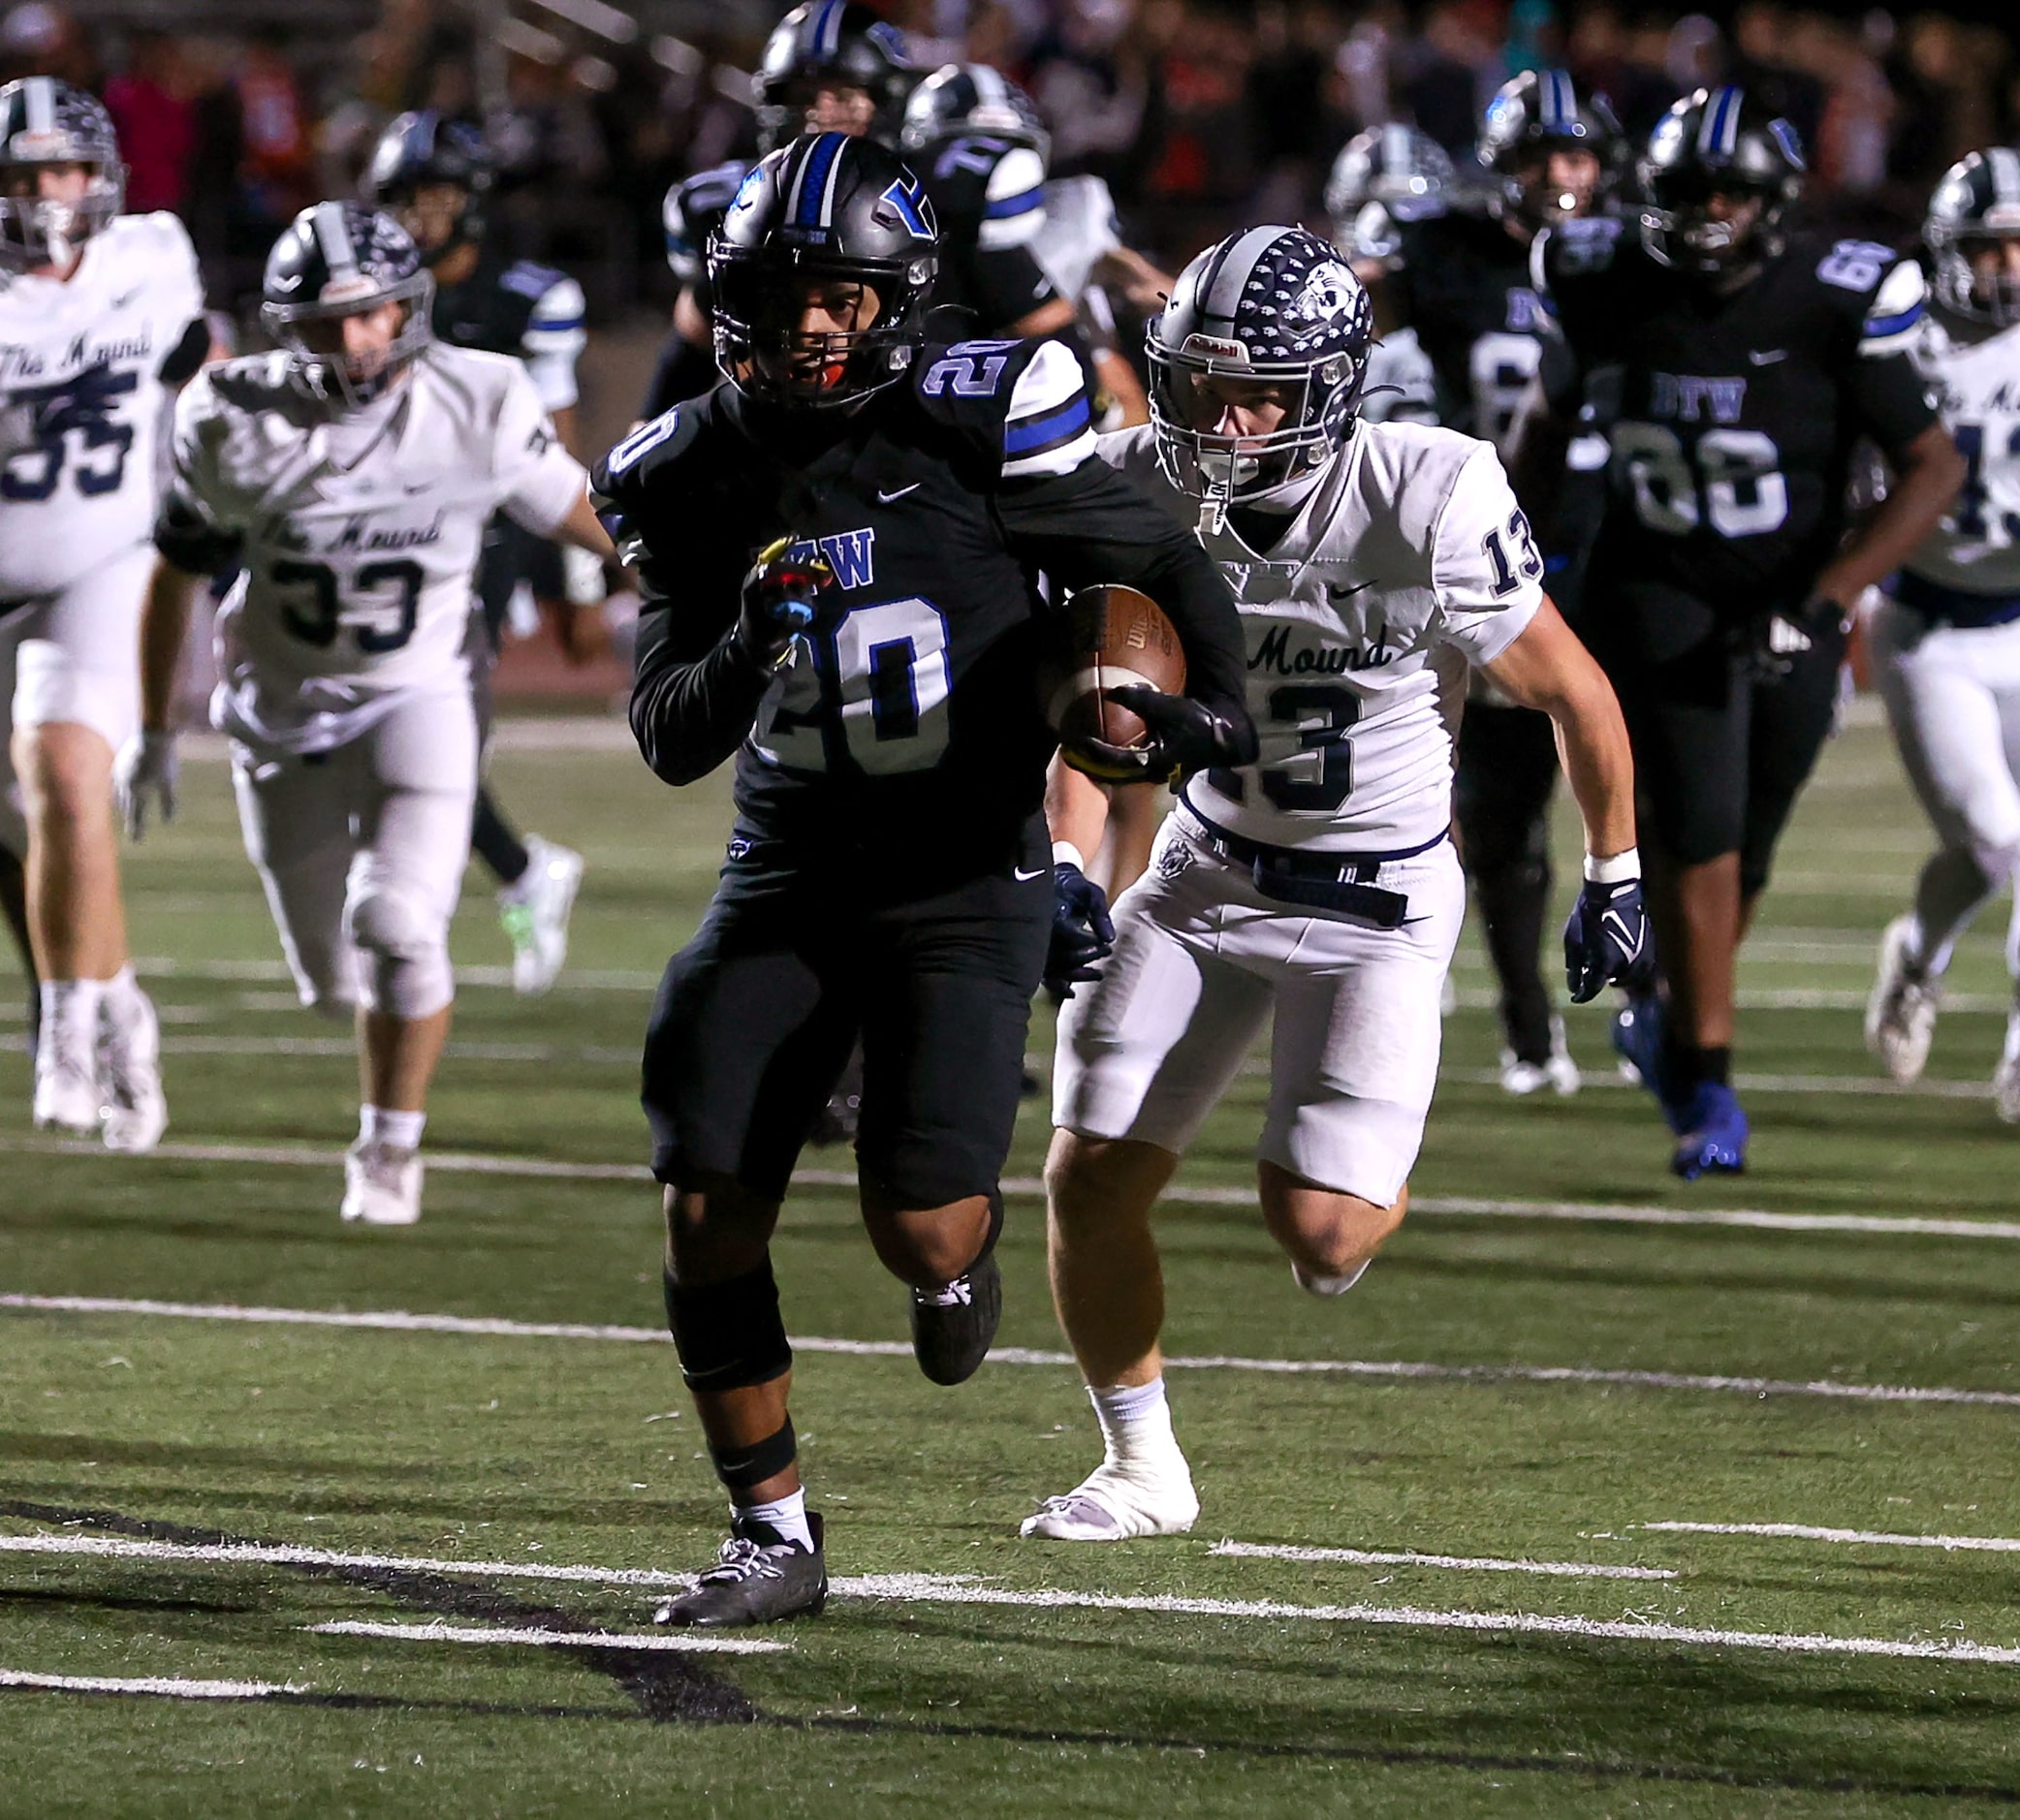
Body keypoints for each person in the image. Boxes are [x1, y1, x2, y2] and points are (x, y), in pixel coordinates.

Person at [590, 133, 1252, 1626]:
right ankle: (774, 1533)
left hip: (965, 865)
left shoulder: (987, 412)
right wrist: (750, 635)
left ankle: (946, 1240)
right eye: (784, 293)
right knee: (706, 1200)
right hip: (790, 865)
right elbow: (664, 738)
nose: (814, 322)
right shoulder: (687, 468)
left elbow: (1155, 556)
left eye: (842, 294)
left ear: (901, 298)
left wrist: (1213, 714)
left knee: (927, 1229)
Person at [1022, 227, 1648, 1543]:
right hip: (1204, 871)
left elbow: (1575, 695)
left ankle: (1343, 1194)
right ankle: (1142, 1465)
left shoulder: (1426, 492)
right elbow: (1092, 716)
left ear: (1334, 390)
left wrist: (1616, 874)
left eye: (1259, 390)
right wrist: (1071, 864)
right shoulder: (1138, 486)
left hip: (1381, 893)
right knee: (1084, 1175)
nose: (1225, 418)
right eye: (1199, 383)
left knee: (1322, 1233)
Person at [117, 203, 615, 1225]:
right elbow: (173, 578)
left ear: (407, 309)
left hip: (419, 691)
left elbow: (590, 511)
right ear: (283, 326)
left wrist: (711, 577)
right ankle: (376, 1073)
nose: (353, 341)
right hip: (277, 708)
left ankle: (388, 1148)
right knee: (330, 981)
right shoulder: (231, 415)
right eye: (325, 321)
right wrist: (157, 726)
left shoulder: (475, 398)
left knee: (393, 923)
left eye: (372, 314)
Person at [1517, 86, 1964, 1178]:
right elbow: (1544, 426)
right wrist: (1514, 565)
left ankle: (1665, 1013)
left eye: (1730, 191)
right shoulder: (1599, 274)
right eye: (1685, 191)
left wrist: (1824, 598)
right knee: (1701, 828)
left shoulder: (1832, 295)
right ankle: (1705, 1080)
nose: (1708, 211)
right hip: (1657, 588)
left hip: (1791, 592)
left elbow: (1931, 467)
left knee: (1750, 839)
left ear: (1774, 202)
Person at [1382, 71, 1627, 1097]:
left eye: (1576, 157)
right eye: (1542, 157)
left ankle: (1635, 1004)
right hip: (1476, 551)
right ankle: (1530, 1025)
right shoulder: (1439, 253)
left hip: (1606, 549)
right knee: (1499, 810)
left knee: (1622, 773)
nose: (1561, 176)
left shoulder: (1624, 263)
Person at [0, 76, 206, 1148]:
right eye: (23, 173)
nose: (45, 194)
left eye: (63, 169)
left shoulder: (153, 256)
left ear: (102, 177)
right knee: (32, 833)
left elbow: (199, 371)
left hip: (100, 564)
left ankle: (65, 1029)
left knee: (68, 784)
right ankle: (121, 1003)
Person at [363, 110, 589, 995]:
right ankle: (521, 873)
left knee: (409, 731)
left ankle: (488, 884)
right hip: (382, 537)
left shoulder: (531, 297)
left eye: (437, 195)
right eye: (405, 199)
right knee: (389, 736)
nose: (420, 216)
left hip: (481, 543)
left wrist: (574, 576)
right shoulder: (373, 298)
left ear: (475, 201)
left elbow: (559, 454)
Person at [1867, 150, 2020, 1118]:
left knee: (1999, 848)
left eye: (2018, 248)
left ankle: (1939, 976)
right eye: (1987, 248)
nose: (2004, 267)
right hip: (1928, 626)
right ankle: (1934, 974)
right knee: (2000, 843)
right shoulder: (1899, 337)